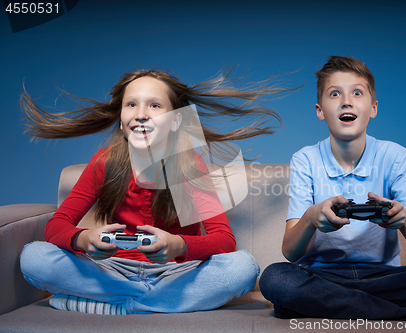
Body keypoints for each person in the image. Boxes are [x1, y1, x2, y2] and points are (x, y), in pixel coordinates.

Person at [20, 68, 289, 315]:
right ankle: (150, 303)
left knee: (244, 267)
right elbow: (56, 226)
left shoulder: (189, 166)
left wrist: (178, 245)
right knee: (33, 257)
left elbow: (224, 240)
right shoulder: (105, 162)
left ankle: (118, 304)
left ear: (175, 122)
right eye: (131, 104)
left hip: (175, 272)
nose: (141, 113)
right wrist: (85, 239)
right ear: (122, 119)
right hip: (112, 270)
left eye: (155, 105)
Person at [259, 56, 406, 320]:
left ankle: (329, 304)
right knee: (276, 278)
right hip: (323, 276)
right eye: (335, 93)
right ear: (320, 110)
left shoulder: (395, 156)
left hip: (383, 277)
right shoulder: (305, 159)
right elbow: (290, 253)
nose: (346, 101)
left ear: (373, 108)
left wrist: (404, 219)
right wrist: (310, 218)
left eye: (357, 93)